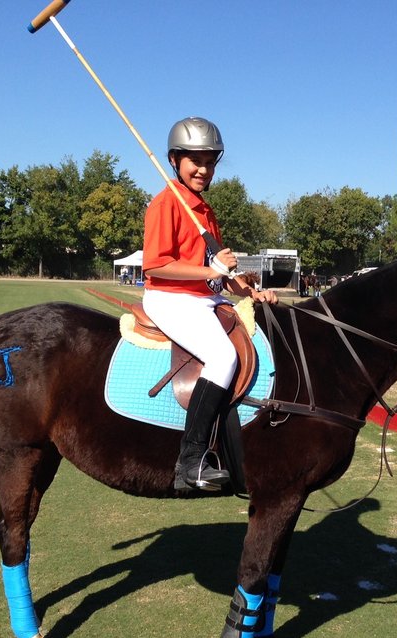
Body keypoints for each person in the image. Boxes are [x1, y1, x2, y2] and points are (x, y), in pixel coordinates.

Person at [141, 116, 277, 492]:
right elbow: (156, 264)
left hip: (204, 296)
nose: (203, 169)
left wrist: (248, 290)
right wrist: (209, 272)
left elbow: (218, 273)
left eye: (210, 161)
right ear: (174, 160)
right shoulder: (165, 204)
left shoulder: (203, 210)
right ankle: (190, 460)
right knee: (223, 357)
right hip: (169, 298)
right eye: (194, 161)